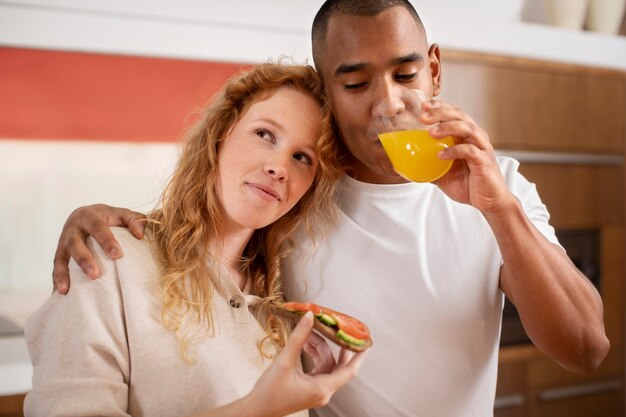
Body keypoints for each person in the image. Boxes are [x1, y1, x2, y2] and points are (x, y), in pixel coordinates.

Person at [48, 1, 610, 416]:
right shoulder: (300, 197)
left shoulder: (499, 186)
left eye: (406, 74)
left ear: (434, 70)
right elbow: (208, 239)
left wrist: (499, 210)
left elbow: (586, 349)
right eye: (357, 82)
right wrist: (98, 218)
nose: (388, 102)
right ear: (328, 92)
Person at [24, 62, 368, 417]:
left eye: (302, 157)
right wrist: (255, 409)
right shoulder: (110, 259)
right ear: (221, 133)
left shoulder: (281, 310)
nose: (279, 167)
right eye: (265, 134)